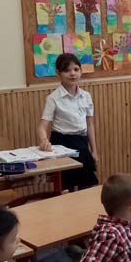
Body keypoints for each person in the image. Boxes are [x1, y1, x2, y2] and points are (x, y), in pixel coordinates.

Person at [38, 53, 98, 191]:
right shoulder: (53, 98)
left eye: (76, 69)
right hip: (62, 144)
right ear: (58, 73)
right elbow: (42, 126)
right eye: (67, 70)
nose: (72, 73)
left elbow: (90, 124)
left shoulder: (86, 96)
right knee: (66, 188)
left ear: (80, 71)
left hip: (82, 144)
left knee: (86, 187)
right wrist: (43, 140)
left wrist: (94, 151)